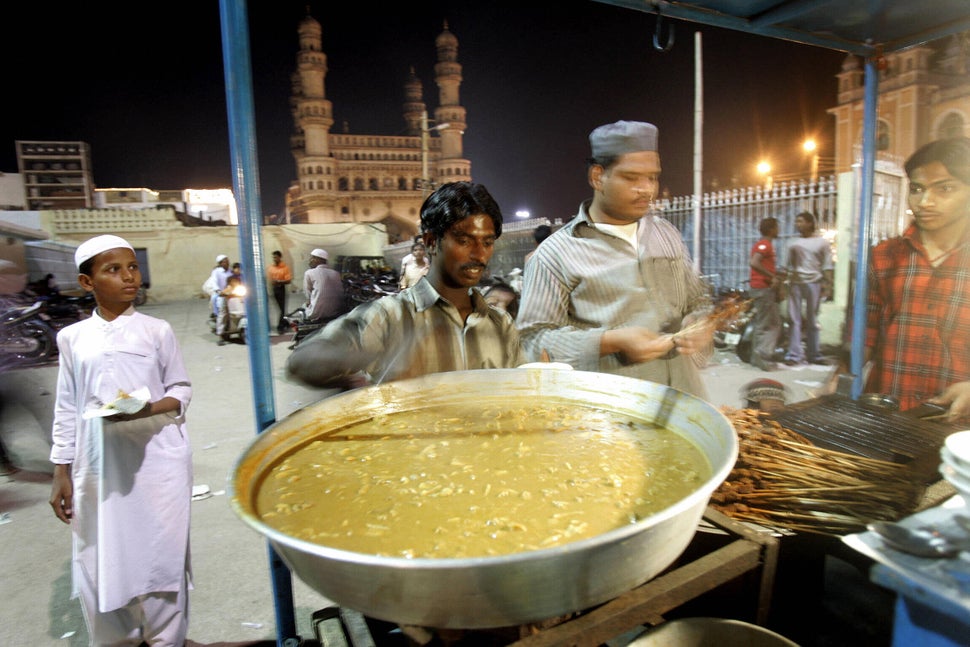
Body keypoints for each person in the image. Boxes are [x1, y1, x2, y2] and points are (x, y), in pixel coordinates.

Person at [48, 235, 193, 646]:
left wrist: (145, 408)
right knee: (101, 556)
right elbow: (66, 406)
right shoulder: (72, 338)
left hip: (158, 462)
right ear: (86, 282)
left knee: (161, 556)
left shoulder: (156, 330)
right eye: (113, 270)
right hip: (98, 466)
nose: (129, 277)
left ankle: (167, 637)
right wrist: (61, 471)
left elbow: (180, 387)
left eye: (132, 267)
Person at [516, 120, 714, 398]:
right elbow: (532, 341)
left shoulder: (666, 234)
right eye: (632, 178)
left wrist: (701, 322)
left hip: (685, 398)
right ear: (598, 177)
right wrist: (609, 342)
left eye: (652, 177)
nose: (646, 189)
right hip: (613, 412)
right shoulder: (555, 254)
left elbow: (698, 300)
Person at [287, 181, 523, 389]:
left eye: (487, 242)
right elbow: (302, 361)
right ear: (431, 242)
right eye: (464, 241)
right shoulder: (389, 316)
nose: (479, 254)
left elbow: (519, 389)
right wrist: (360, 358)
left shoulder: (500, 325)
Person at [864, 136, 970, 420]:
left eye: (945, 188)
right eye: (917, 189)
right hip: (888, 407)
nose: (925, 202)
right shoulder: (884, 256)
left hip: (957, 422)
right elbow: (865, 332)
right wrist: (840, 379)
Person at [782, 211, 833, 365]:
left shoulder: (822, 242)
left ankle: (814, 354)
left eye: (801, 221)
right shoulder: (792, 242)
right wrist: (782, 284)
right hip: (795, 282)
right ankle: (794, 355)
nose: (798, 224)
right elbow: (785, 265)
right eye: (797, 221)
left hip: (814, 283)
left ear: (810, 223)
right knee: (794, 320)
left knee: (812, 320)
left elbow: (827, 265)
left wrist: (829, 285)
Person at [748, 217, 783, 371]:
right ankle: (763, 356)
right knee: (771, 324)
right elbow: (754, 263)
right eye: (777, 227)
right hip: (763, 288)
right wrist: (771, 276)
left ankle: (757, 356)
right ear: (771, 229)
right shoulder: (764, 245)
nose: (779, 230)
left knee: (763, 322)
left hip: (760, 288)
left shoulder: (764, 244)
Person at [302, 248, 345, 323]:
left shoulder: (309, 273)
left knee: (303, 306)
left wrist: (309, 301)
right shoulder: (336, 273)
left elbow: (308, 294)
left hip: (316, 314)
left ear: (319, 259)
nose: (310, 260)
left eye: (312, 258)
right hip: (336, 312)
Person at [268, 250, 292, 334]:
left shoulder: (284, 267)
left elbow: (288, 280)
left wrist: (279, 281)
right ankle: (285, 323)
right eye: (273, 257)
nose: (274, 259)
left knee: (282, 309)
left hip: (282, 288)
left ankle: (280, 326)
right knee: (280, 309)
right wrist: (276, 282)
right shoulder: (271, 267)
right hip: (275, 289)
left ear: (280, 257)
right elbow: (271, 280)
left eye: (276, 257)